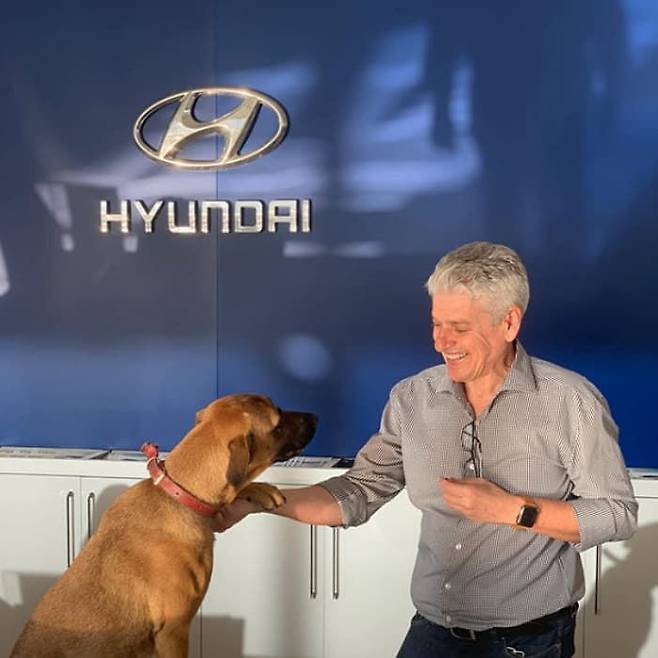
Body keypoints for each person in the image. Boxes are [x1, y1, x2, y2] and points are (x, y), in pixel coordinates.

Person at [213, 241, 637, 658]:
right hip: (434, 631)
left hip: (528, 641)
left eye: (459, 328)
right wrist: (255, 501)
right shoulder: (412, 398)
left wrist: (511, 510)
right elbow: (358, 491)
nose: (441, 341)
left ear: (509, 323)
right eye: (436, 323)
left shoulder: (570, 400)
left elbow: (617, 513)